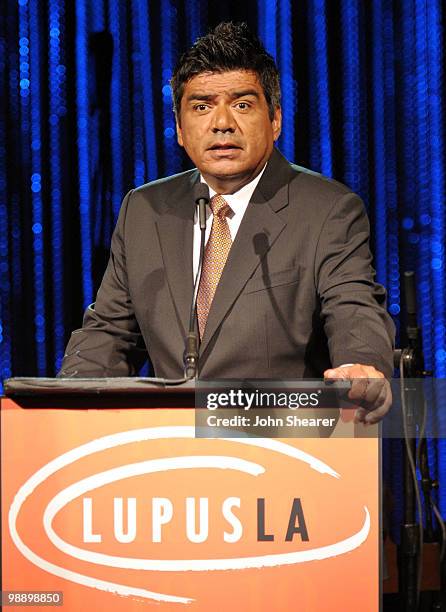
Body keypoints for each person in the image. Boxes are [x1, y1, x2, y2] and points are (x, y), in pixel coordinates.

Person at [60, 22, 394, 424]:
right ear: (181, 129)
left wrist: (360, 366)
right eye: (201, 106)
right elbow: (111, 333)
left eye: (241, 104)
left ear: (274, 120)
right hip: (168, 456)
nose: (221, 123)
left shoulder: (327, 209)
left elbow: (353, 307)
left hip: (284, 452)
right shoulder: (145, 210)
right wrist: (64, 403)